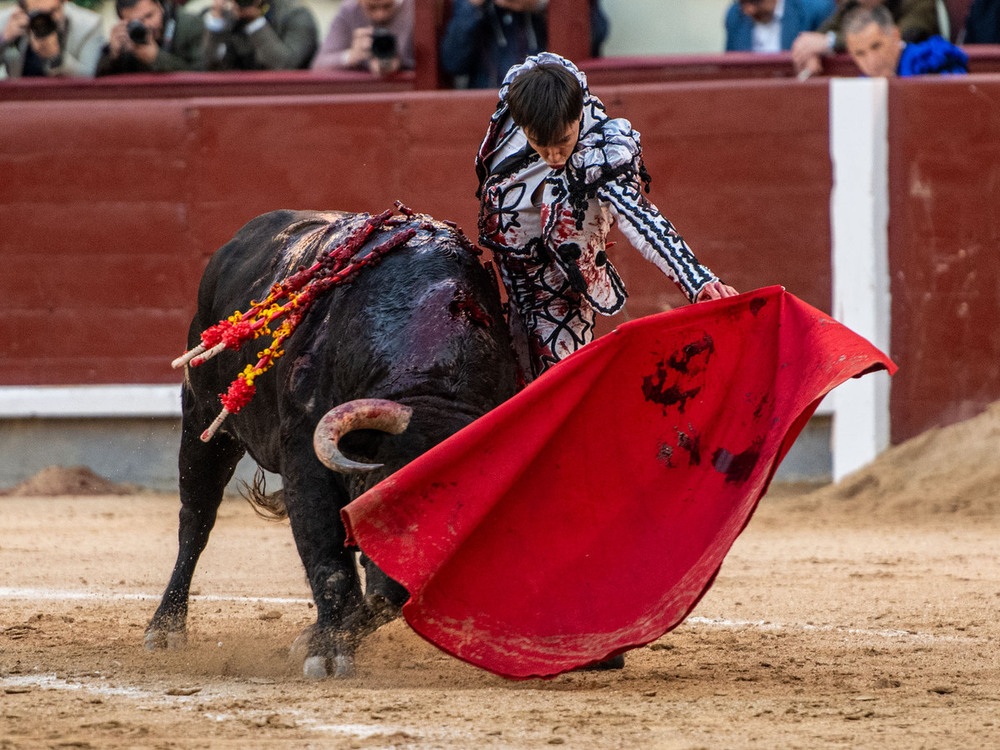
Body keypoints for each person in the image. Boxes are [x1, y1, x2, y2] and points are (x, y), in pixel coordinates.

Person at [476, 53, 738, 382]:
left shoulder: (601, 149)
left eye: (562, 142)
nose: (555, 156)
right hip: (509, 278)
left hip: (560, 289)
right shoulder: (518, 105)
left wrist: (698, 281)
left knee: (559, 387)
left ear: (578, 119)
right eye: (541, 145)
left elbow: (640, 218)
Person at [441, 0, 609, 89]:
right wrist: (473, 7)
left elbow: (595, 35)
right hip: (488, 107)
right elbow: (452, 62)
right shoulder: (470, 7)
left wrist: (544, 5)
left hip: (551, 103)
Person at [791, 0, 938, 76]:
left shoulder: (919, 3)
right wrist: (811, 49)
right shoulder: (853, 4)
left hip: (922, 71)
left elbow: (906, 33)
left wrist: (830, 42)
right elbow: (818, 37)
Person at [844, 4, 968, 76]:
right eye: (859, 53)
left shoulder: (931, 61)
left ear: (895, 35)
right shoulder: (859, 88)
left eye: (876, 46)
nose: (872, 61)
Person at [202, 0, 318, 71]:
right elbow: (208, 65)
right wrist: (216, 23)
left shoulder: (296, 15)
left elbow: (284, 66)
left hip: (286, 101)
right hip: (239, 99)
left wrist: (254, 21)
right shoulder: (226, 15)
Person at [96, 0, 203, 76]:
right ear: (123, 22)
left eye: (149, 16)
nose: (147, 25)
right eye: (136, 22)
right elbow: (99, 83)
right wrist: (112, 55)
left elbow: (202, 75)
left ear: (159, 6)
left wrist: (156, 57)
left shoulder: (189, 25)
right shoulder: (126, 37)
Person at [0, 0, 104, 78]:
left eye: (52, 12)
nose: (43, 21)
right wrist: (3, 40)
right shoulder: (6, 21)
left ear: (64, 3)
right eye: (37, 14)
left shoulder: (89, 25)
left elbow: (89, 78)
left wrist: (57, 59)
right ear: (21, 10)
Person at [311, 0, 414, 75]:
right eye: (371, 7)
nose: (380, 15)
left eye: (387, 6)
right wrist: (351, 56)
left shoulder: (417, 9)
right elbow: (319, 65)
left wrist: (400, 63)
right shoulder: (349, 10)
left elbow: (427, 65)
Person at [725, 0, 835, 52]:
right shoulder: (735, 15)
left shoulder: (816, 10)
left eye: (755, 1)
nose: (749, 10)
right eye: (742, 3)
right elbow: (730, 69)